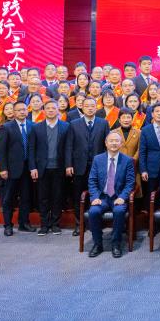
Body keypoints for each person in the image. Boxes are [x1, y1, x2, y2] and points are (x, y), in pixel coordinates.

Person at [64, 97, 110, 236]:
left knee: (97, 195)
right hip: (79, 166)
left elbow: (107, 145)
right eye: (87, 106)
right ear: (82, 108)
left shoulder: (103, 123)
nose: (90, 108)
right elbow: (69, 145)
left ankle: (95, 223)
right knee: (79, 196)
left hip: (98, 166)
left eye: (92, 106)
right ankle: (79, 225)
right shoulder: (74, 124)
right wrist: (68, 164)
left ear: (96, 108)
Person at [87, 131, 136, 258]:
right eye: (111, 141)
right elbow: (92, 180)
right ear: (106, 143)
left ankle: (116, 244)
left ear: (121, 143)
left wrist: (122, 197)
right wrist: (95, 197)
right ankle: (98, 244)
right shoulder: (98, 159)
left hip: (118, 197)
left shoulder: (127, 160)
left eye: (116, 141)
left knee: (119, 211)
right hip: (102, 197)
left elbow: (130, 183)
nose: (114, 143)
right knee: (93, 212)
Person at [28, 99, 70, 236]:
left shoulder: (66, 126)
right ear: (44, 110)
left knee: (57, 197)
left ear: (58, 110)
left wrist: (68, 165)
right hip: (42, 168)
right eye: (48, 108)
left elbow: (68, 148)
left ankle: (55, 224)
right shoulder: (36, 127)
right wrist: (33, 167)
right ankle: (44, 225)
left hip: (59, 168)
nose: (51, 110)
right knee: (43, 198)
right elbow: (31, 149)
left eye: (53, 108)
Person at [0, 101, 35, 235]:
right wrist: (3, 169)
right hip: (11, 169)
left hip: (27, 169)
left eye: (24, 109)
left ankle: (24, 223)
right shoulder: (6, 127)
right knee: (8, 198)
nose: (22, 112)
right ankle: (8, 225)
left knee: (26, 197)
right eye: (19, 110)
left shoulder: (32, 126)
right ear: (14, 112)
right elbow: (0, 150)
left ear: (27, 111)